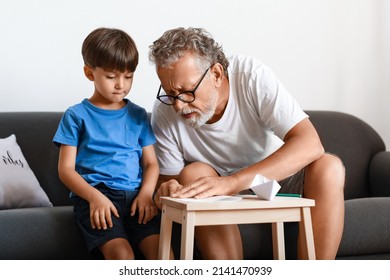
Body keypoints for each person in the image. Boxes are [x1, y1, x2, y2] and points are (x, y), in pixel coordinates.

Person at [149, 27, 345, 260]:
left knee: (329, 167)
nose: (179, 106)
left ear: (216, 74)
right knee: (193, 173)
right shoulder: (165, 111)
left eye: (187, 92)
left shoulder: (251, 76)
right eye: (170, 94)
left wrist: (233, 182)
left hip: (274, 177)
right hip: (214, 186)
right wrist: (166, 188)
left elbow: (310, 143)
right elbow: (165, 180)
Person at [53, 27, 162, 260]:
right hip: (98, 196)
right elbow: (65, 170)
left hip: (137, 199)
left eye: (128, 76)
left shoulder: (139, 115)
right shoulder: (76, 115)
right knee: (122, 256)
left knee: (163, 255)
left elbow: (151, 164)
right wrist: (94, 197)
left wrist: (146, 194)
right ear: (89, 73)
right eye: (111, 76)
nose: (121, 84)